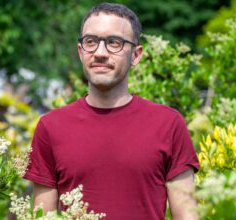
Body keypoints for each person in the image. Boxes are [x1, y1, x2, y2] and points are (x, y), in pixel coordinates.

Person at [24, 3, 200, 220]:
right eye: (91, 42)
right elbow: (42, 217)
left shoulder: (169, 124)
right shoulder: (50, 127)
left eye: (113, 43)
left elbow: (187, 216)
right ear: (81, 52)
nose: (100, 53)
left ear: (136, 55)